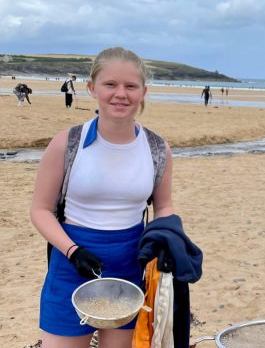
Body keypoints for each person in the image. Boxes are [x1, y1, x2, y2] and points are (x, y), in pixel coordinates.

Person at [30, 47, 178, 348]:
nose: (120, 94)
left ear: (143, 92)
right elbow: (40, 210)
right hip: (72, 261)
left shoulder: (157, 149)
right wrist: (73, 251)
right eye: (110, 84)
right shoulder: (67, 143)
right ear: (91, 88)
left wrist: (166, 237)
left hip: (131, 263)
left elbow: (163, 205)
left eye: (130, 86)